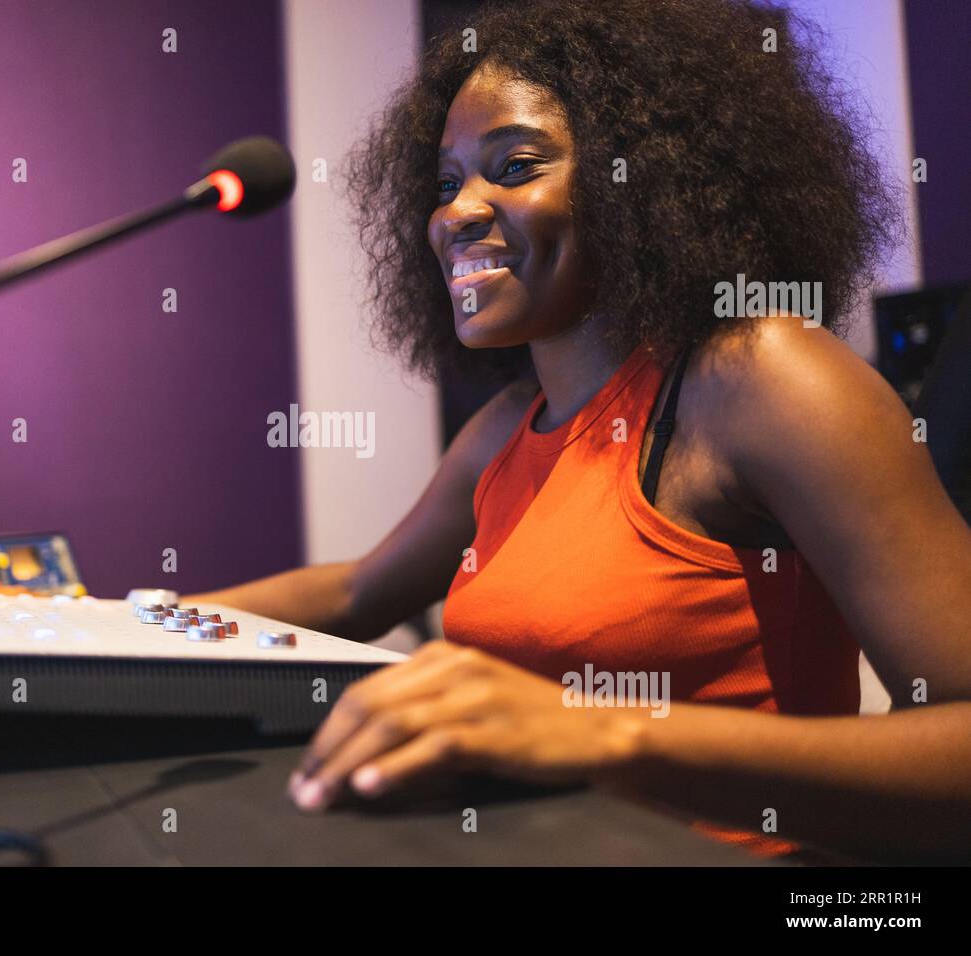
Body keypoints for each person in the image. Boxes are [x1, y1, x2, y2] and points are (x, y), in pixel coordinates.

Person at [187, 0, 971, 861]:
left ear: (655, 178)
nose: (457, 213)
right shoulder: (504, 429)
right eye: (446, 185)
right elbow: (355, 594)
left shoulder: (765, 375)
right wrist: (96, 621)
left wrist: (608, 733)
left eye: (515, 166)